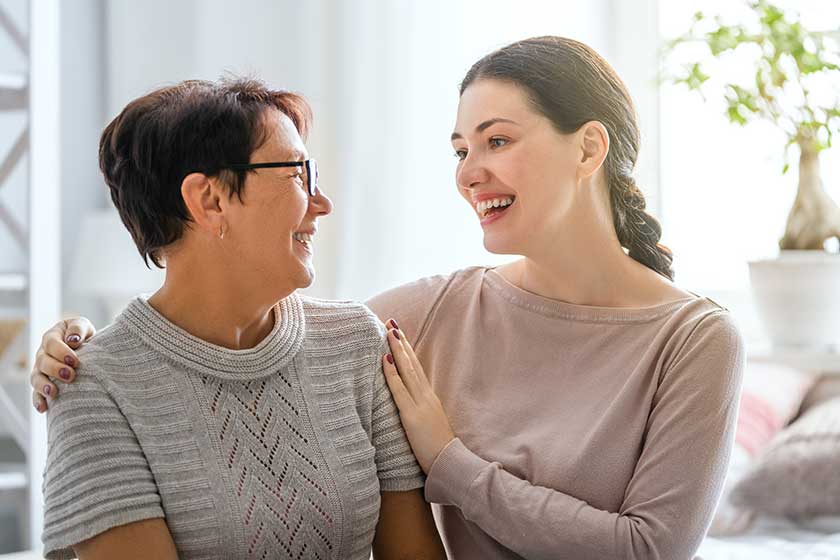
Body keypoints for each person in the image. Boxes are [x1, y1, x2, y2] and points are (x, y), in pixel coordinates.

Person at [32, 37, 744, 560]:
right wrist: (79, 349)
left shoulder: (695, 340)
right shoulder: (412, 318)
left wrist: (451, 461)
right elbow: (222, 327)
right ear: (210, 197)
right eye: (461, 149)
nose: (470, 172)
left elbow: (650, 551)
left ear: (589, 149)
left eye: (496, 140)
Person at [31, 78, 445, 560]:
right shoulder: (94, 385)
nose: (322, 202)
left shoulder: (354, 343)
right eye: (298, 174)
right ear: (209, 201)